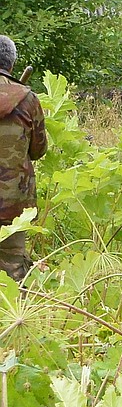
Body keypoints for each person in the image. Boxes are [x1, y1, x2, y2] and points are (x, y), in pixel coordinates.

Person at [0, 37, 46, 281]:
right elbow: (38, 150)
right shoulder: (27, 99)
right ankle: (11, 317)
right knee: (13, 272)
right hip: (14, 203)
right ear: (12, 64)